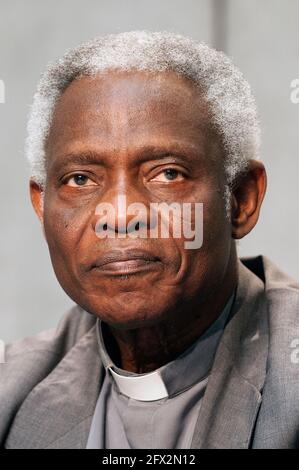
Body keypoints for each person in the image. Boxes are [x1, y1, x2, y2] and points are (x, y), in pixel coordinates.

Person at [0, 31, 298, 449]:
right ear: (42, 205)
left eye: (167, 173)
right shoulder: (11, 387)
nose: (120, 214)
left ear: (241, 198)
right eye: (80, 179)